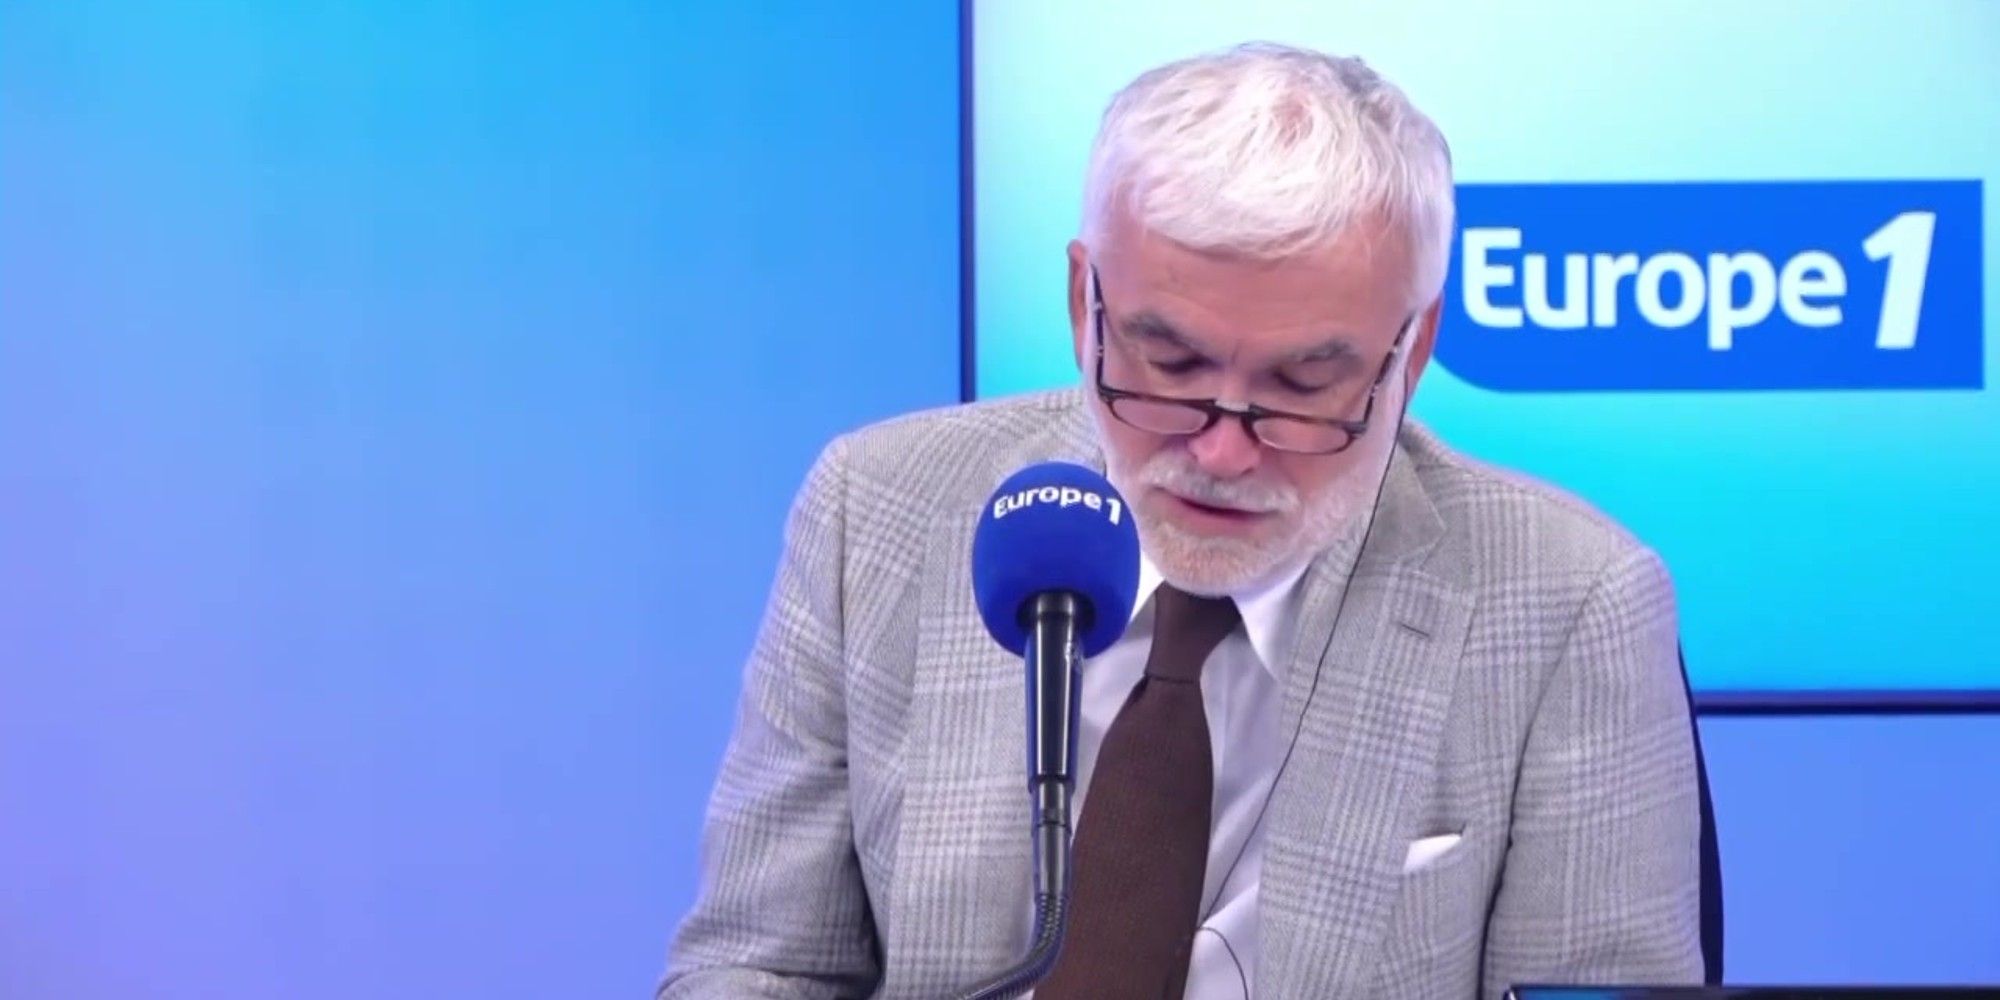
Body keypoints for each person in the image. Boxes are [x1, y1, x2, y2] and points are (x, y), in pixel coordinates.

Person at [660, 42, 1702, 1000]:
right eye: (1169, 365)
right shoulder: (877, 510)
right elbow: (758, 967)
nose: (1221, 451)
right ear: (1084, 301)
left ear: (1413, 348)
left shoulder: (1568, 603)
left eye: (1302, 385)